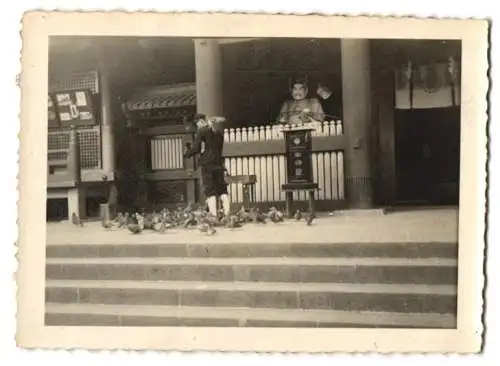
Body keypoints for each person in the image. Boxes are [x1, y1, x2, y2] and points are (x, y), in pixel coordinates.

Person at [184, 113, 230, 219]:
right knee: (222, 189)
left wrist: (187, 153)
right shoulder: (219, 133)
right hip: (218, 163)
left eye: (197, 123)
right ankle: (228, 214)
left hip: (207, 164)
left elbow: (196, 149)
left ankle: (213, 216)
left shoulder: (201, 131)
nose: (197, 126)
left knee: (210, 190)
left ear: (200, 121)